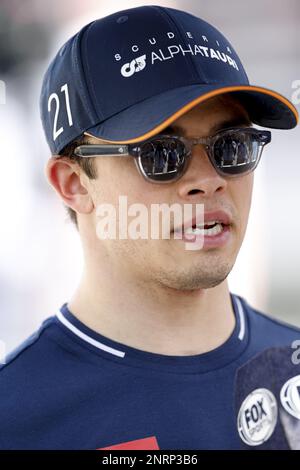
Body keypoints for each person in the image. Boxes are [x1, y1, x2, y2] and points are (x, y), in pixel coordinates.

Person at [0, 5, 299, 450]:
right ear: (74, 185)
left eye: (231, 146)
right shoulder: (18, 418)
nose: (207, 181)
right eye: (162, 154)